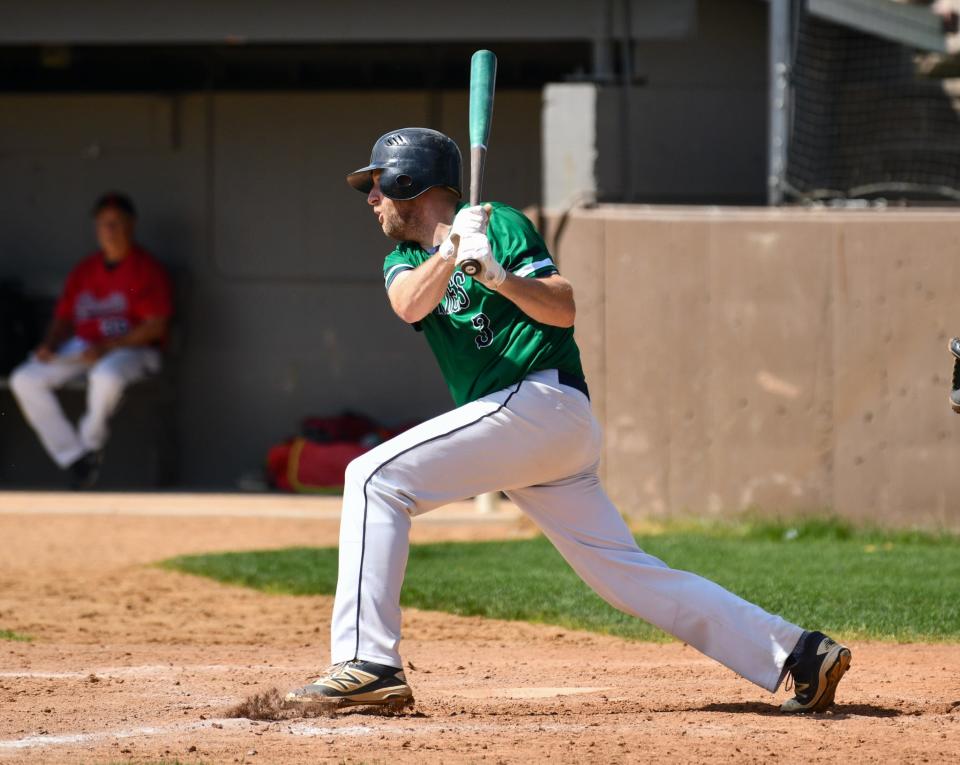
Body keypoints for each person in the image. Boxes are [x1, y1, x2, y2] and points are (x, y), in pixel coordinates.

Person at [284, 128, 851, 713]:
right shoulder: (403, 258)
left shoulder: (499, 223)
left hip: (541, 404)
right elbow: (409, 303)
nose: (371, 199)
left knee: (375, 478)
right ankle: (800, 652)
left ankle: (368, 663)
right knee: (626, 578)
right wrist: (453, 250)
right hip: (525, 433)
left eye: (377, 185)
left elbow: (563, 306)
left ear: (408, 182)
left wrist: (500, 276)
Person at [9, 192, 172, 489]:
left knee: (105, 375)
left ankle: (90, 443)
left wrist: (108, 347)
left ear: (130, 225)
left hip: (133, 350)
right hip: (85, 346)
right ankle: (75, 458)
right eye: (103, 224)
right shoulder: (85, 270)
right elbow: (63, 317)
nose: (109, 231)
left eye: (115, 223)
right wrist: (50, 344)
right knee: (25, 379)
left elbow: (156, 327)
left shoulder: (146, 268)